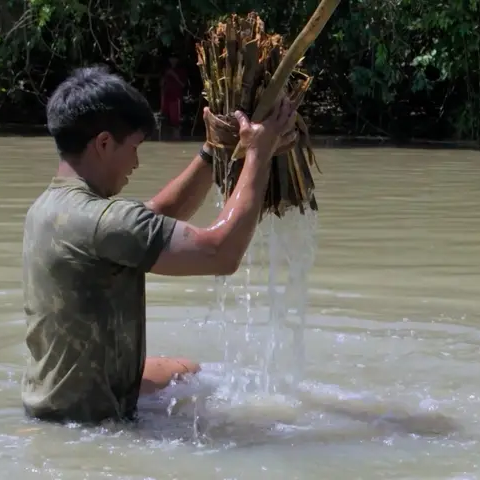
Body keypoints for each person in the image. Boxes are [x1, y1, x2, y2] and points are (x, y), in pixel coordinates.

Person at [20, 65, 297, 425]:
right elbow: (221, 252)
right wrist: (259, 154)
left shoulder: (50, 208)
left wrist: (214, 153)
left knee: (189, 371)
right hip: (90, 421)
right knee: (210, 384)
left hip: (50, 400)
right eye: (134, 147)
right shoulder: (103, 222)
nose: (136, 162)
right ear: (104, 143)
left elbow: (153, 216)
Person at [159, 56, 187, 139]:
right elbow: (161, 84)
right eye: (171, 59)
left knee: (176, 121)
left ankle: (177, 138)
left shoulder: (181, 71)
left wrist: (174, 75)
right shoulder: (166, 70)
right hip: (167, 97)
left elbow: (183, 84)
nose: (173, 61)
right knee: (165, 119)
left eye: (175, 59)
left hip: (176, 97)